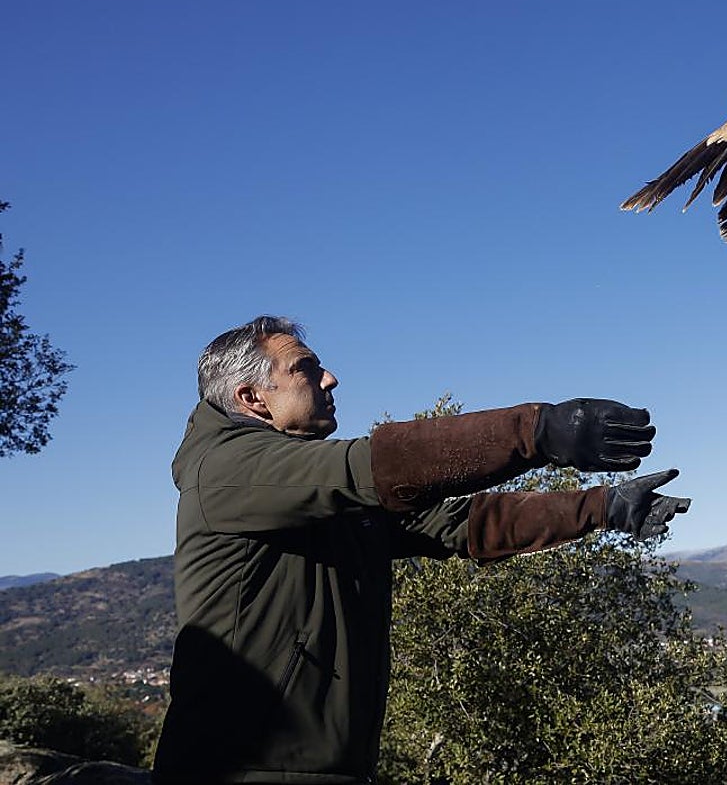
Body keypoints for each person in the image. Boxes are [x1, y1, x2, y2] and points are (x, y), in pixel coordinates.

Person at [151, 316, 690, 785]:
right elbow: (372, 467)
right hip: (242, 771)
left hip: (322, 769)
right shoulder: (227, 469)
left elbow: (455, 523)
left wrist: (603, 507)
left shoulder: (300, 485)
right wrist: (537, 431)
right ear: (251, 398)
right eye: (306, 369)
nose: (330, 378)